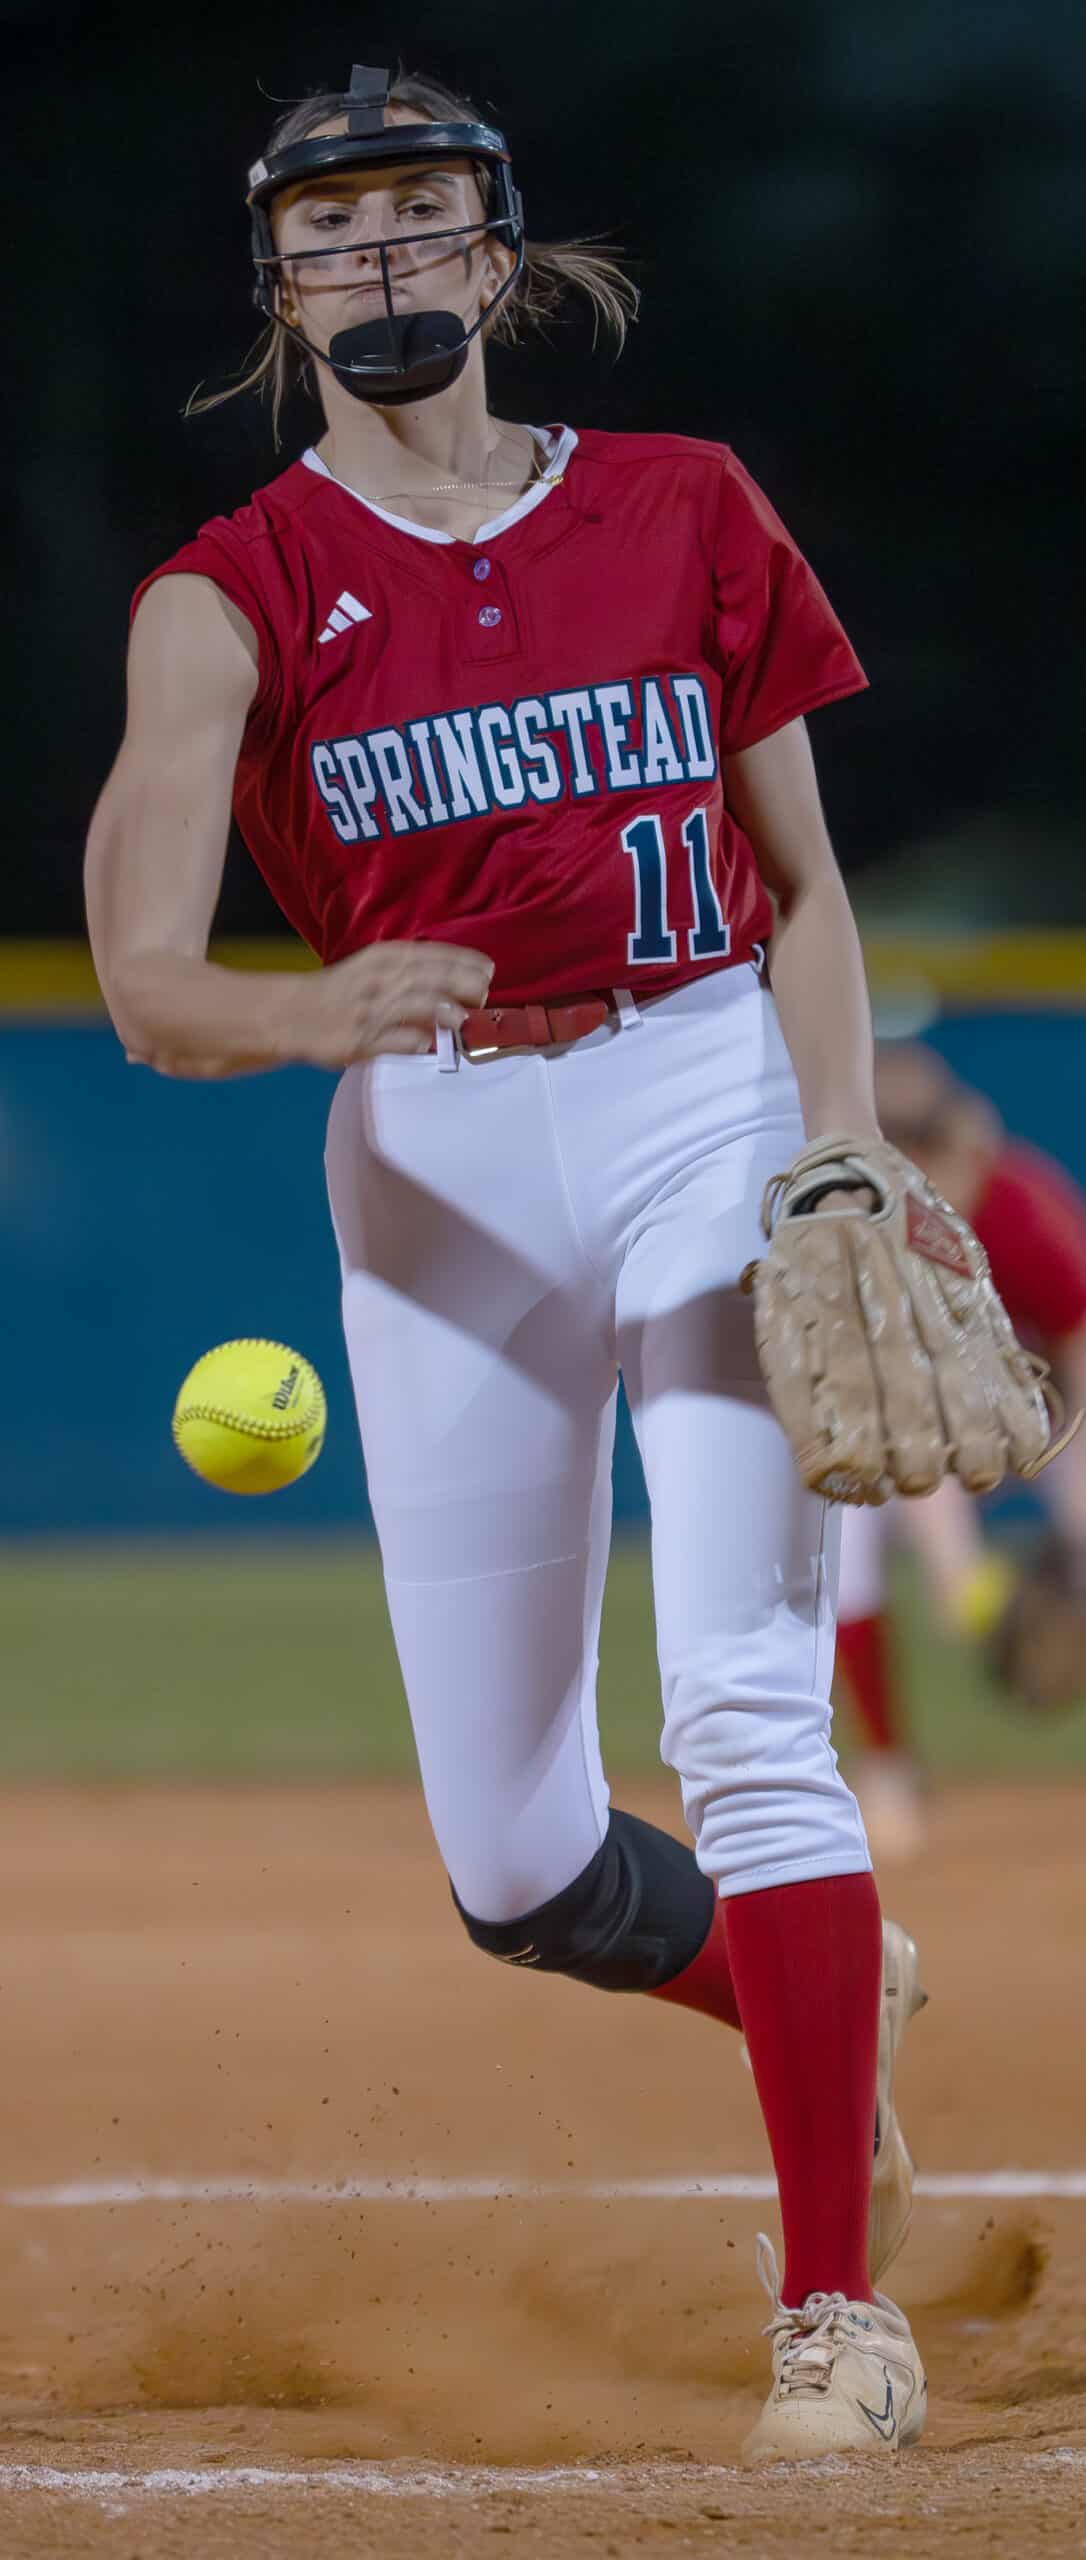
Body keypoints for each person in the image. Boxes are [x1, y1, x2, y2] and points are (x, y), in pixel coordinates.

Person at [85, 64, 930, 2461]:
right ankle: (819, 1993)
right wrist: (297, 1008)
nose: (378, 265)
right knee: (521, 1853)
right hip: (431, 1157)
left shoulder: (679, 508)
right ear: (279, 284)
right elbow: (146, 975)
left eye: (419, 221)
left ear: (497, 254)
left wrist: (845, 1146)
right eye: (329, 232)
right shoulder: (227, 593)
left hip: (694, 1087)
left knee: (753, 1701)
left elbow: (808, 883)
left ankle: (835, 2315)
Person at [837, 1041, 1086, 1860]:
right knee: (846, 1539)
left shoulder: (1016, 1205)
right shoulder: (856, 1229)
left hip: (1048, 1415)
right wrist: (961, 1580)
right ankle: (891, 1767)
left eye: (920, 1144)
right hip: (926, 1428)